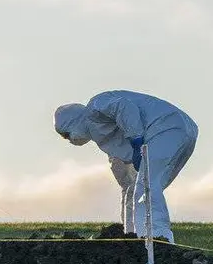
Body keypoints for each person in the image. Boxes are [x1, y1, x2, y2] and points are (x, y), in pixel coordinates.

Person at [54, 90, 198, 242]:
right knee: (145, 186)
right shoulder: (99, 130)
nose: (69, 140)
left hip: (165, 128)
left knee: (146, 187)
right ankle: (137, 238)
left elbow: (123, 107)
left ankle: (156, 239)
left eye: (66, 135)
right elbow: (127, 178)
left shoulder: (95, 108)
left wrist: (136, 140)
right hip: (183, 129)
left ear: (72, 122)